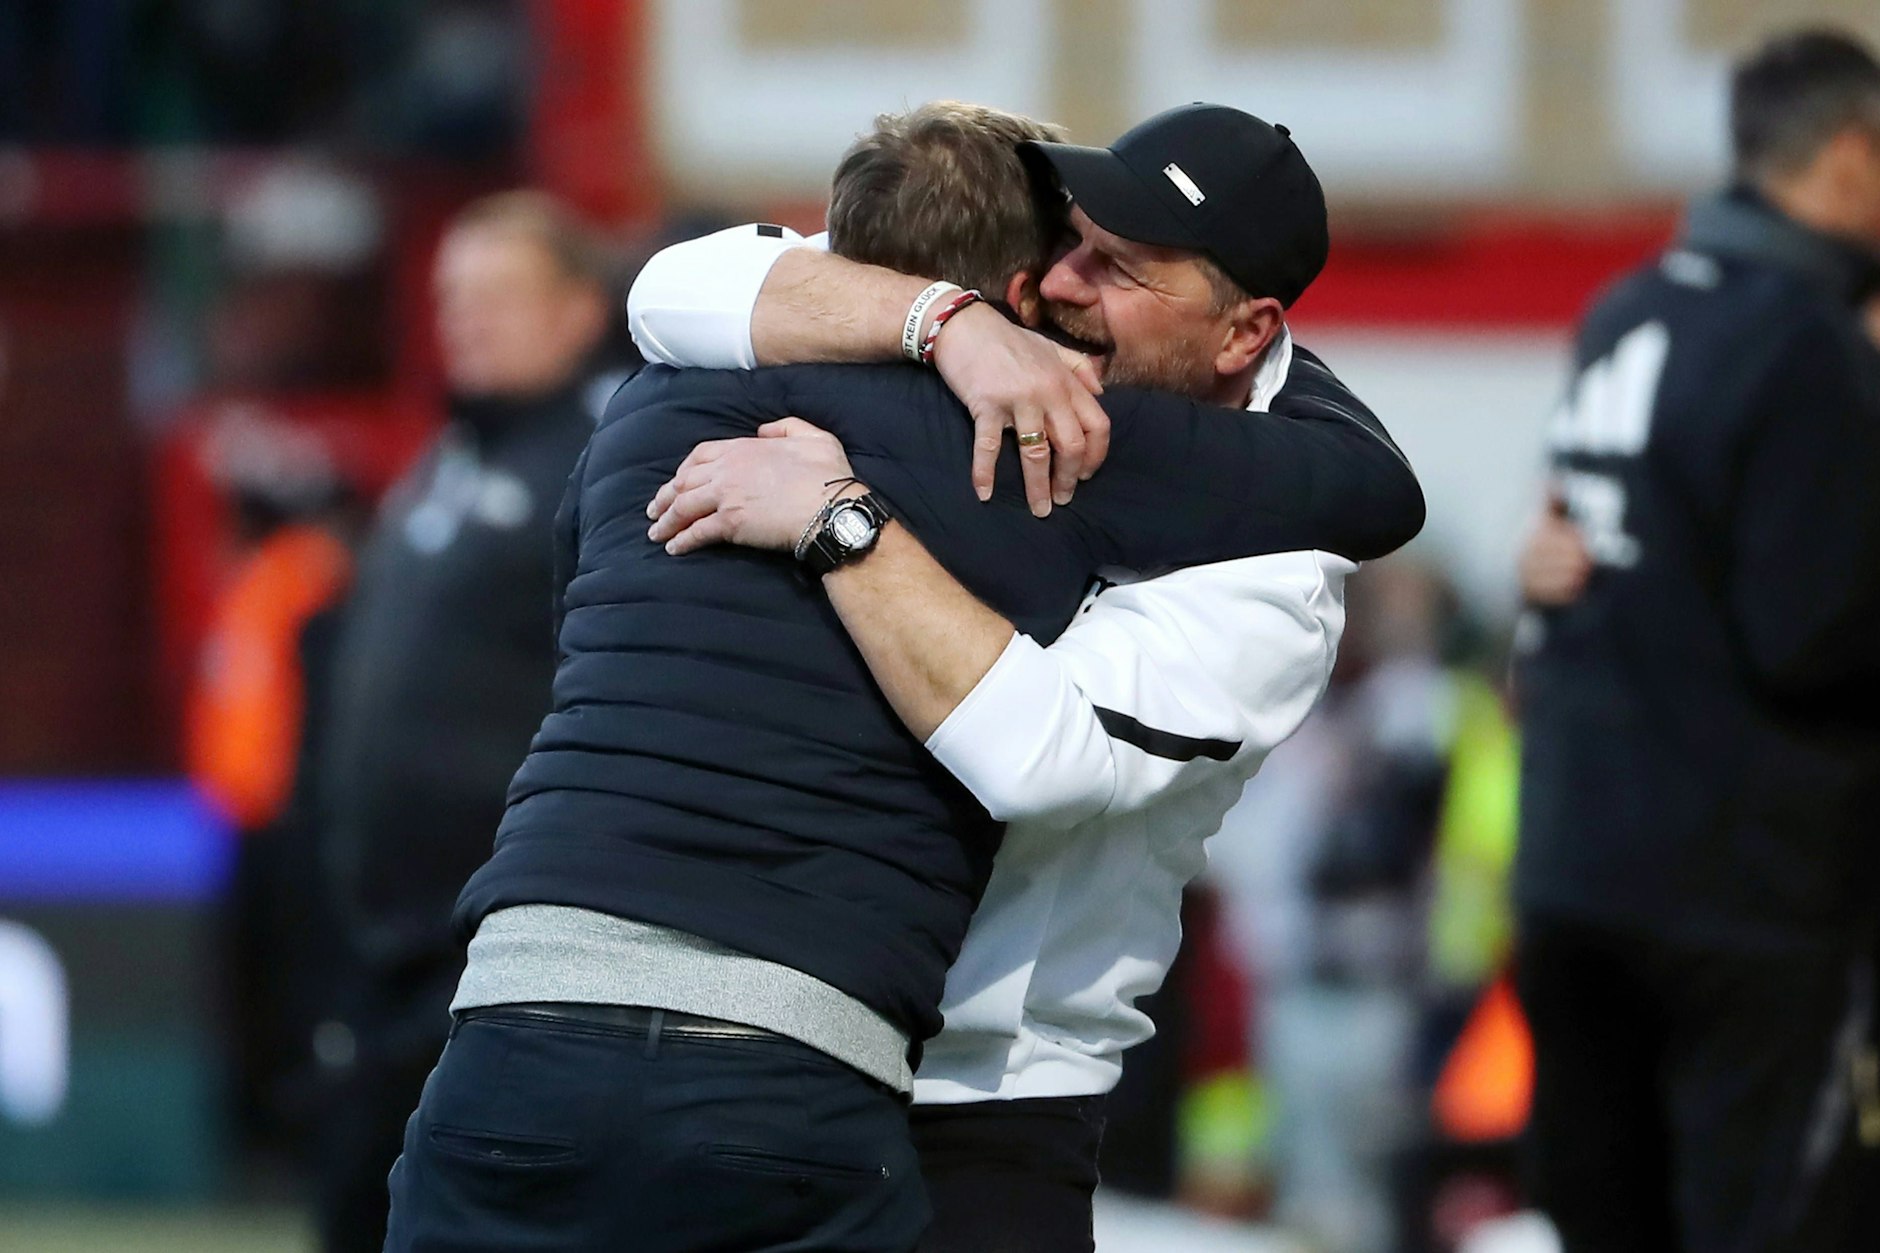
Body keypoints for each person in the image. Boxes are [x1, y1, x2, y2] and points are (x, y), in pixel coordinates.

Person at [386, 102, 1422, 1253]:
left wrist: (840, 520)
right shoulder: (964, 376)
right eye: (1067, 243)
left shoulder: (1265, 557)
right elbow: (678, 284)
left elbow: (1044, 753)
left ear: (1244, 332)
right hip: (796, 1045)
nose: (1062, 285)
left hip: (983, 1093)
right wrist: (943, 321)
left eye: (1119, 267)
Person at [1512, 29, 1880, 1252]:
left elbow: (1580, 557)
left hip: (1573, 869)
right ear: (1849, 154)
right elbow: (1810, 632)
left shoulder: (1627, 308)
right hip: (1739, 901)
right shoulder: (1805, 342)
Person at [308, 190, 614, 1253]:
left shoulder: (605, 457)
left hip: (504, 949)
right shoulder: (446, 456)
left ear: (578, 309)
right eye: (451, 297)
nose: (466, 319)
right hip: (384, 944)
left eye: (498, 294)